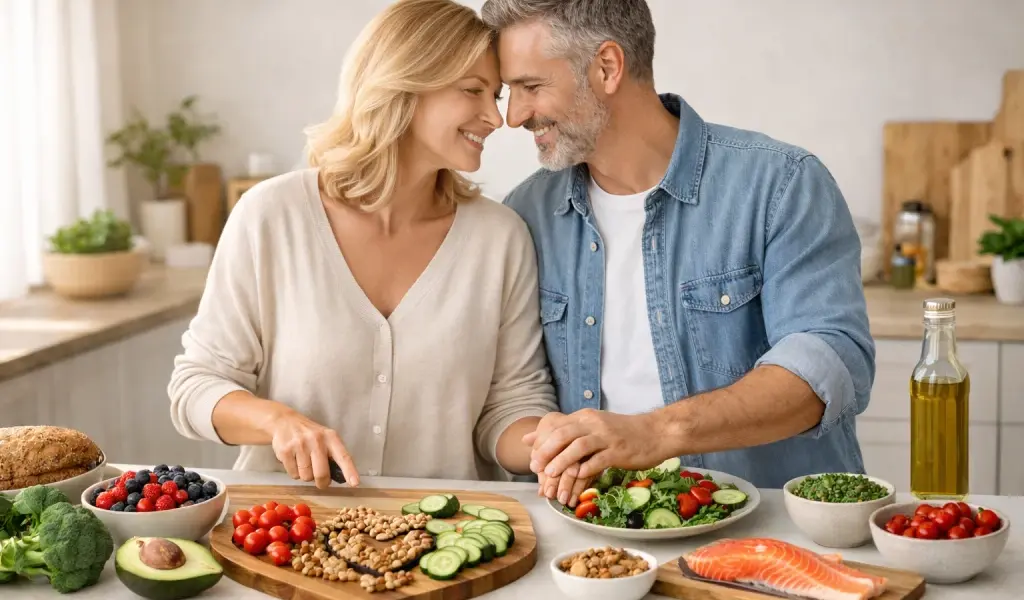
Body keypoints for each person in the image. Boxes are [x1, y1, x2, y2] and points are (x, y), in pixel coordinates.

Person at [479, 0, 876, 506]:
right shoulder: (527, 213)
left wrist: (655, 432)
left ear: (607, 67)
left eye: (531, 87)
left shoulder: (781, 185)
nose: (514, 117)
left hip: (773, 532)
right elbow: (516, 394)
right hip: (600, 534)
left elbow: (828, 363)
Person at [168, 0, 558, 488]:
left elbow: (511, 403)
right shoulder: (271, 216)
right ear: (405, 85)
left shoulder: (500, 238)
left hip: (447, 542)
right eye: (473, 91)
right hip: (285, 535)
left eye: (495, 96)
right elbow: (195, 386)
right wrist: (278, 423)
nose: (495, 119)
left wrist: (556, 443)